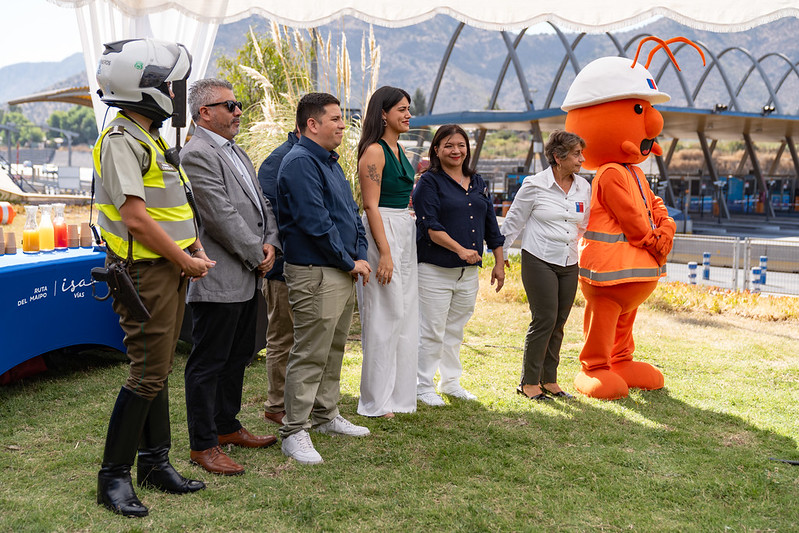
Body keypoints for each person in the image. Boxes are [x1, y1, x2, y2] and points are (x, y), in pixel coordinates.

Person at [93, 38, 212, 517]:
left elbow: (171, 205)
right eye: (168, 84)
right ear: (142, 90)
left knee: (158, 369)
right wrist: (183, 260)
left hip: (168, 265)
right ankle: (113, 478)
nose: (175, 92)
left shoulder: (146, 135)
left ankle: (154, 463)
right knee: (146, 373)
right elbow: (137, 219)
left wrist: (192, 246)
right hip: (147, 272)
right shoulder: (122, 138)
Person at [182, 78, 281, 476]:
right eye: (230, 105)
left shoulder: (236, 150)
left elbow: (262, 205)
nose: (239, 111)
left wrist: (271, 241)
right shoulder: (196, 153)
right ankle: (202, 444)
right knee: (209, 362)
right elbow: (218, 214)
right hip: (220, 276)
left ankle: (226, 426)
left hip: (248, 274)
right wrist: (257, 254)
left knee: (238, 356)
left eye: (238, 104)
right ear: (204, 112)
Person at [277, 92, 372, 465]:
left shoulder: (329, 162)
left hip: (340, 269)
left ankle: (326, 415)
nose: (342, 125)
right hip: (317, 271)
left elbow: (350, 214)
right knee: (310, 351)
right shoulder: (300, 162)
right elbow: (316, 224)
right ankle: (294, 430)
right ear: (312, 124)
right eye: (335, 119)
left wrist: (359, 255)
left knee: (333, 349)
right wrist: (350, 261)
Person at [412, 124, 506, 406]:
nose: (456, 151)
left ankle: (451, 382)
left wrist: (499, 262)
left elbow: (491, 224)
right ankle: (422, 385)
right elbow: (429, 226)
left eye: (461, 145)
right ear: (437, 149)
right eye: (449, 145)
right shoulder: (428, 183)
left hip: (468, 274)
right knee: (431, 329)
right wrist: (461, 250)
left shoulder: (477, 181)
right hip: (434, 270)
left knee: (455, 329)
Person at [500, 130, 590, 401]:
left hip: (569, 261)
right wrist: (501, 255)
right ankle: (529, 383)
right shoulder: (534, 185)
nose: (582, 160)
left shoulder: (584, 187)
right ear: (557, 157)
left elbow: (582, 224)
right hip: (539, 259)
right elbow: (514, 221)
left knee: (560, 322)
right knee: (545, 319)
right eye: (576, 154)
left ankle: (549, 380)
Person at [355, 86, 418, 418]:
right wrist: (386, 253)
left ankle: (398, 396)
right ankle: (375, 401)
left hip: (404, 231)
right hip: (383, 232)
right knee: (383, 315)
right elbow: (370, 205)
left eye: (409, 109)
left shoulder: (399, 148)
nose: (408, 115)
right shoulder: (375, 152)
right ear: (383, 113)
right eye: (402, 109)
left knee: (405, 314)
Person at [256, 127, 299, 426]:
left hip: (310, 266)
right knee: (283, 338)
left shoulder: (323, 158)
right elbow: (269, 220)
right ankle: (276, 405)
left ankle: (299, 401)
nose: (338, 126)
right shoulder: (278, 161)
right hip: (282, 268)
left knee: (302, 340)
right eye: (331, 119)